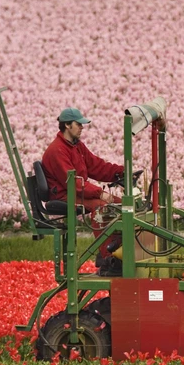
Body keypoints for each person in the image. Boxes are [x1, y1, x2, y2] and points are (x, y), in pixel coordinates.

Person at [42, 107, 124, 275]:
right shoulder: (57, 150)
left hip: (75, 191)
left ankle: (119, 253)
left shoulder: (76, 146)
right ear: (67, 126)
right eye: (78, 124)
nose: (82, 127)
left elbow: (96, 166)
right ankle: (108, 258)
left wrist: (121, 171)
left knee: (121, 205)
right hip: (65, 194)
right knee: (103, 207)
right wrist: (100, 193)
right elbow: (73, 182)